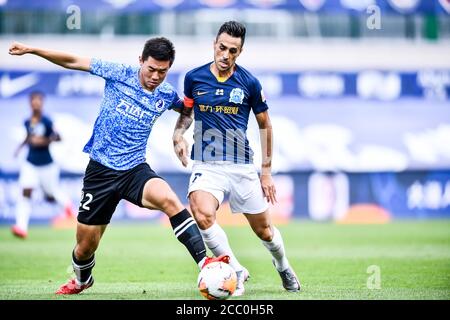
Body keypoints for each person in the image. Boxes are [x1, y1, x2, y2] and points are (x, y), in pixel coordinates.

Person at [8, 38, 228, 295]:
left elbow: (188, 109)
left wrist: (178, 135)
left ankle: (205, 263)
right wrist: (33, 49)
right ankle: (82, 280)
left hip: (135, 170)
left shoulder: (166, 94)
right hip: (100, 172)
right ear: (141, 61)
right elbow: (73, 61)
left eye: (163, 71)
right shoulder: (118, 73)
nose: (156, 76)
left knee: (169, 199)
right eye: (151, 69)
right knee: (85, 247)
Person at [172, 21, 301, 296]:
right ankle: (235, 271)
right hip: (206, 163)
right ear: (214, 45)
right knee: (202, 212)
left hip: (241, 165)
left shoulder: (249, 83)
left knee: (265, 231)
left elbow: (265, 125)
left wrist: (266, 172)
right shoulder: (194, 78)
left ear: (239, 52)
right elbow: (186, 112)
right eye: (222, 48)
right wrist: (178, 134)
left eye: (233, 50)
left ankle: (283, 265)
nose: (226, 55)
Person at [12, 91, 76, 239]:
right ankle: (21, 227)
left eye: (38, 100)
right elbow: (28, 137)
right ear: (30, 103)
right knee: (26, 191)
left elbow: (58, 137)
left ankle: (71, 212)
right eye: (33, 100)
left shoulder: (47, 121)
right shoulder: (27, 122)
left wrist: (45, 141)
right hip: (30, 163)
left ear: (42, 102)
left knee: (51, 193)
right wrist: (19, 148)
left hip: (47, 164)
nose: (36, 103)